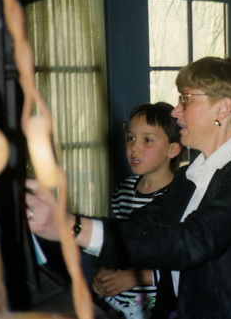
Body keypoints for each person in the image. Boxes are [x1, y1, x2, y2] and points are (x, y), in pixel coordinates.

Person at [26, 56, 231, 319]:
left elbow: (190, 242)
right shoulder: (193, 171)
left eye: (186, 99)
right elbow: (143, 223)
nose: (176, 111)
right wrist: (69, 226)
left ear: (223, 110)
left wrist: (72, 227)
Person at [92, 102, 183, 319]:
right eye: (131, 138)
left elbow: (181, 262)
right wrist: (104, 271)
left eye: (148, 140)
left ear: (172, 149)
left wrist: (136, 277)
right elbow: (114, 241)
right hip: (119, 304)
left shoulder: (179, 197)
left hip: (160, 305)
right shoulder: (122, 192)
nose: (134, 147)